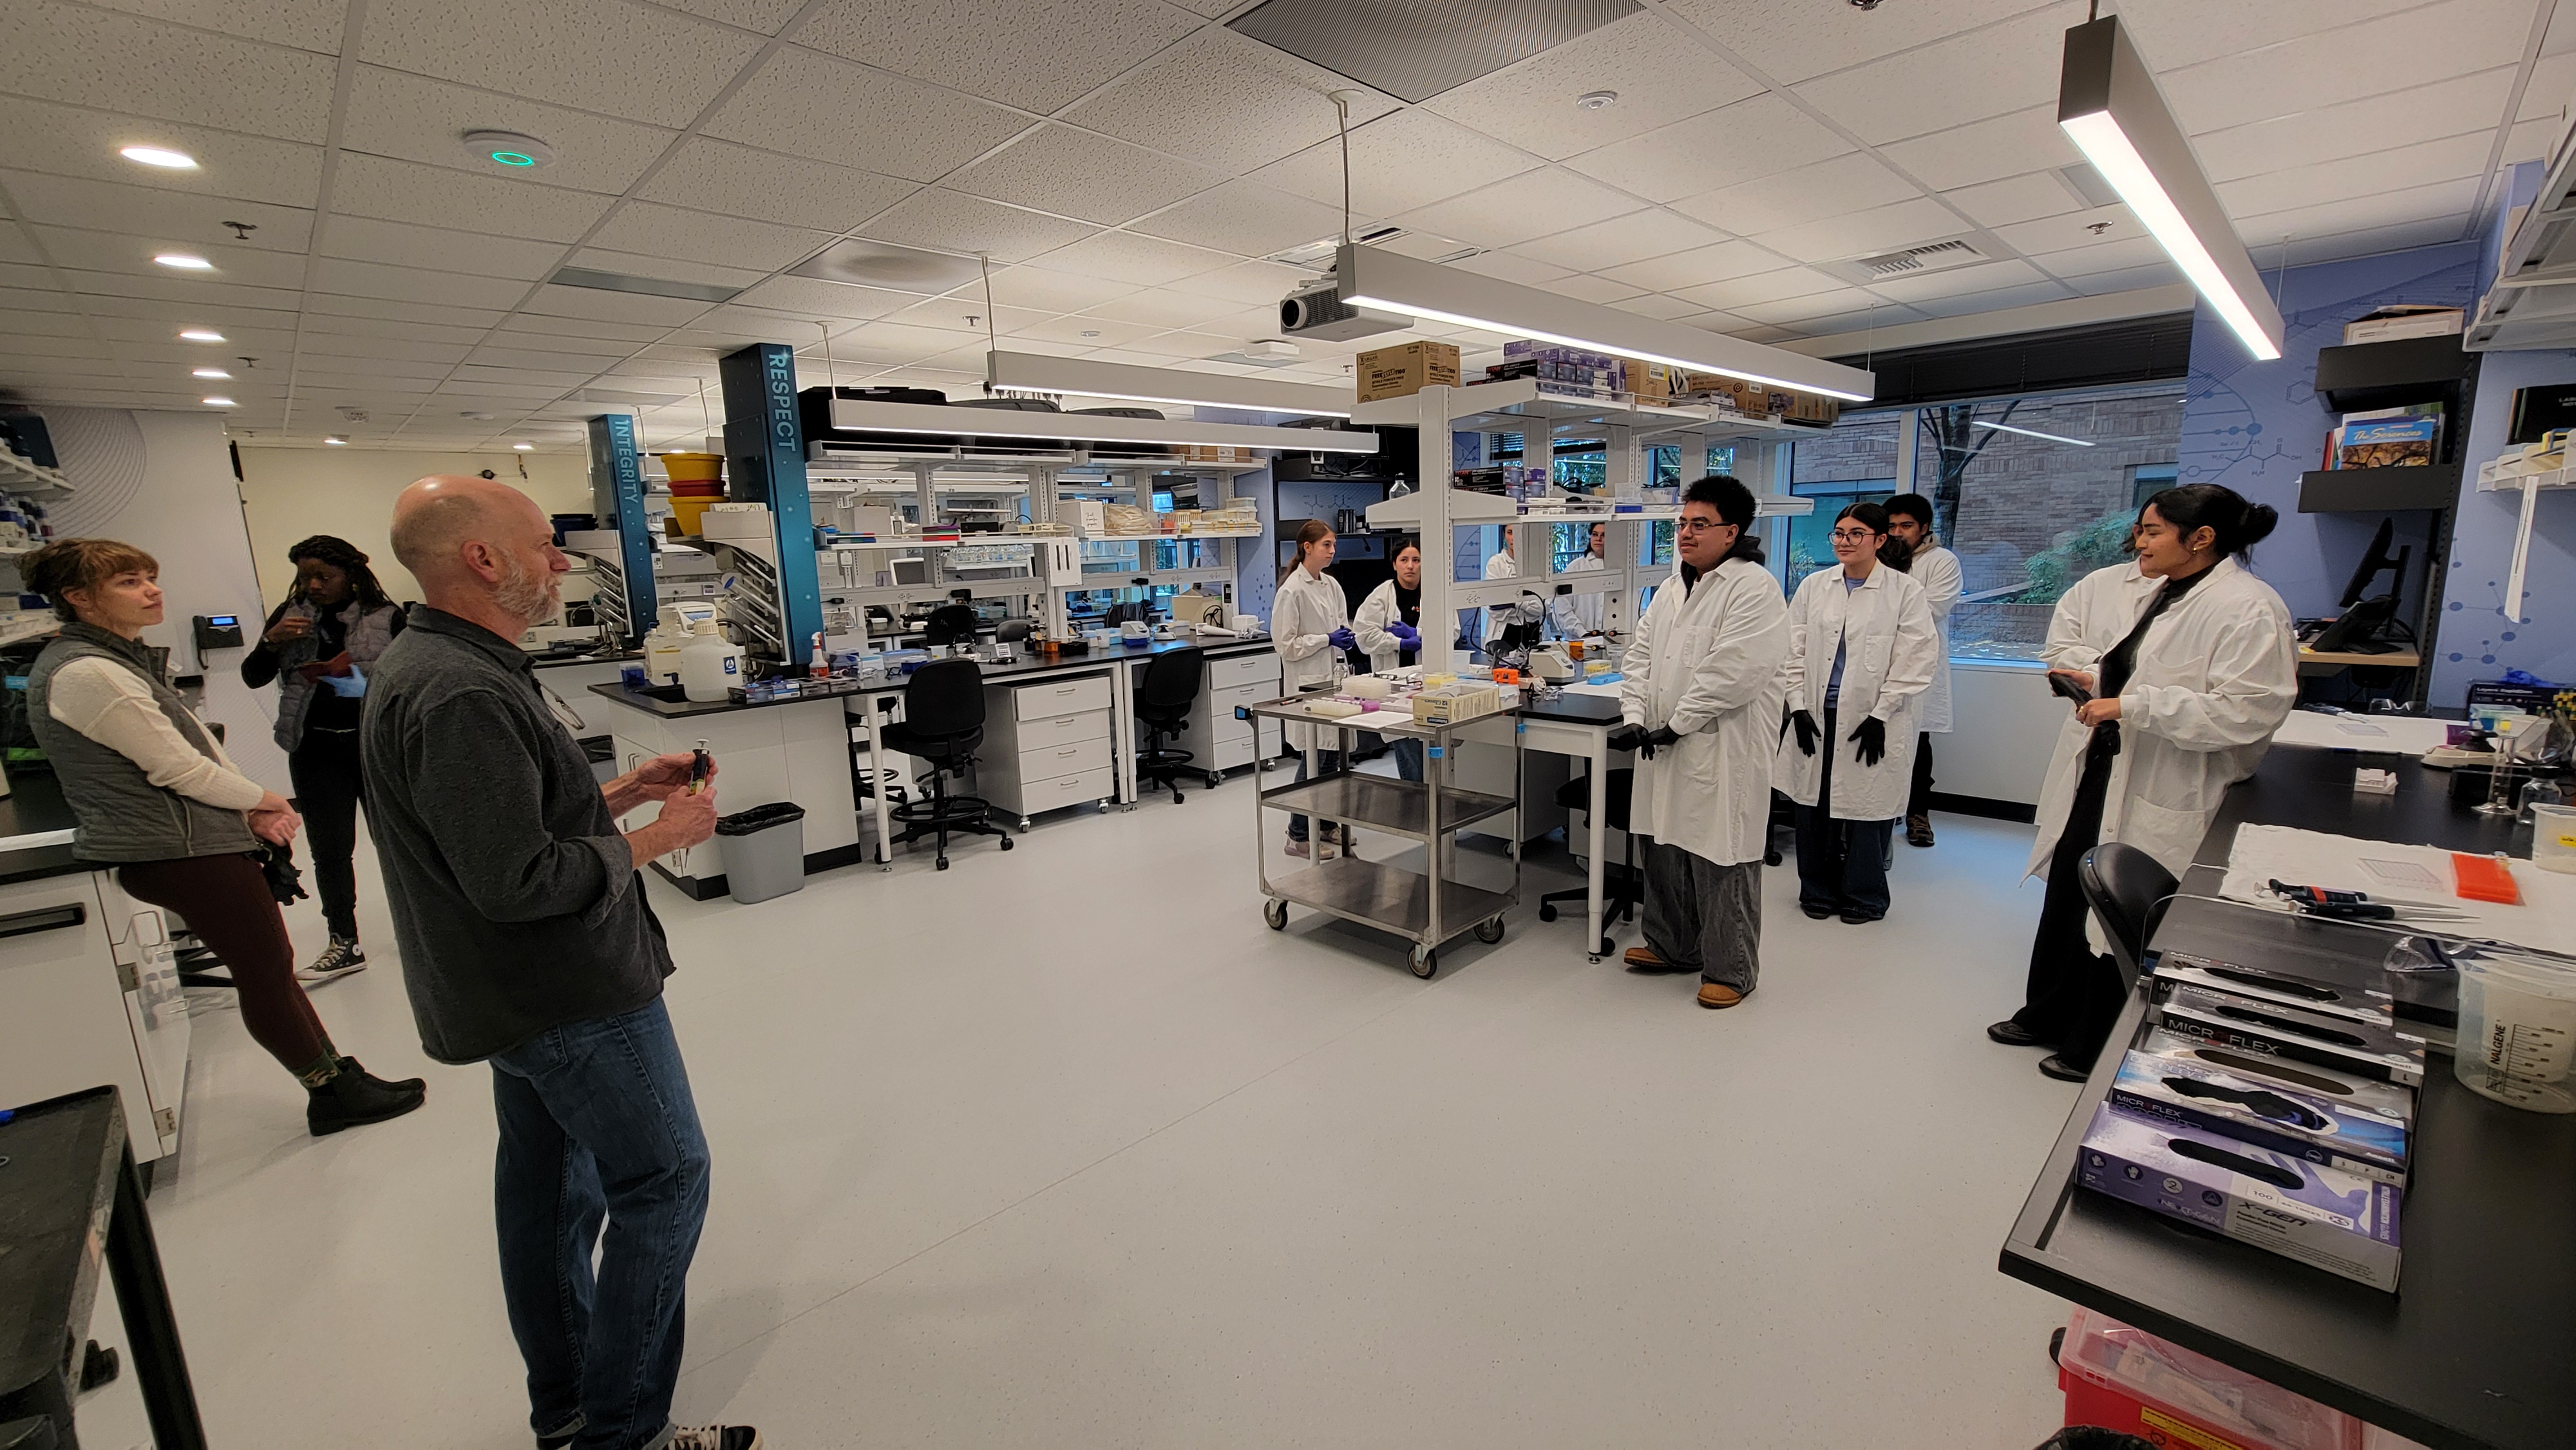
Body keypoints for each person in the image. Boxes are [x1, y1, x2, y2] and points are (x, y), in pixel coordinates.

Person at [364, 476, 755, 1450]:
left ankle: (572, 1407)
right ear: (483, 561)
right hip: (567, 992)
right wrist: (664, 836)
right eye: (543, 545)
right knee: (664, 1181)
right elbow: (521, 881)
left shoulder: (444, 663)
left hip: (506, 993)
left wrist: (620, 789)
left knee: (548, 1196)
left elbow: (498, 829)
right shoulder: (459, 690)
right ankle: (622, 1433)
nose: (561, 562)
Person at [21, 538, 425, 1136]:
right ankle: (329, 1090)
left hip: (200, 831)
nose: (151, 590)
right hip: (178, 846)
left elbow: (190, 746)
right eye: (129, 582)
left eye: (148, 576)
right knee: (264, 967)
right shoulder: (88, 672)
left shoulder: (113, 659)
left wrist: (245, 811)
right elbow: (176, 768)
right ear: (78, 598)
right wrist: (261, 801)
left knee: (272, 963)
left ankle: (339, 1075)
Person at [1992, 484, 2296, 1083]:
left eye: (2154, 531)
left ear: (2201, 539)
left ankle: (2092, 1046)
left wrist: (2132, 705)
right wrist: (2098, 679)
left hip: (2163, 779)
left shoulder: (2249, 608)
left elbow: (2248, 711)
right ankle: (2047, 1014)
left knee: (2120, 915)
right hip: (2105, 767)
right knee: (2070, 894)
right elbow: (2134, 665)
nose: (2140, 542)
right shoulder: (2166, 595)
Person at [1611, 476, 1790, 1009]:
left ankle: (1732, 970)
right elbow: (1640, 657)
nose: (1686, 534)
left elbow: (1733, 672)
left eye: (1700, 525)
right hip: (1665, 743)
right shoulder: (1672, 588)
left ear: (1732, 533)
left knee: (1722, 856)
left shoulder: (1753, 588)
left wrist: (1678, 723)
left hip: (1719, 745)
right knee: (1662, 844)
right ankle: (1672, 946)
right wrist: (1635, 714)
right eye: (1682, 524)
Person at [241, 534, 405, 983]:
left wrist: (353, 682)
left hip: (376, 747)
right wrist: (271, 643)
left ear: (351, 575)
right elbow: (253, 677)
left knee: (398, 846)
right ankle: (344, 941)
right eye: (304, 577)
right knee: (330, 850)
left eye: (323, 576)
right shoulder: (289, 618)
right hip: (314, 750)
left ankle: (416, 932)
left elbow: (408, 685)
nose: (312, 585)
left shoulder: (387, 618)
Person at [1774, 502, 1938, 925]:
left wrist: (1882, 714)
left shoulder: (1905, 592)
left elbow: (1916, 658)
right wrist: (1799, 708)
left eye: (1855, 534)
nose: (1844, 542)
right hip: (1818, 714)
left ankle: (1865, 896)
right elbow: (1793, 651)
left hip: (1874, 718)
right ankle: (1817, 889)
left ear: (1880, 540)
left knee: (1868, 809)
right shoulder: (1814, 586)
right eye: (1839, 533)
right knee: (1814, 807)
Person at [1882, 495, 1960, 848]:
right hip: (1879, 663)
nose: (1898, 533)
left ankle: (1918, 815)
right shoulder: (1877, 560)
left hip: (1919, 661)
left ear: (1924, 528)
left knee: (1918, 741)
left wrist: (1885, 612)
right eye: (1892, 526)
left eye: (1906, 526)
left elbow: (1932, 608)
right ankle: (1882, 811)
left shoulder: (1940, 561)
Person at [1274, 519, 1352, 859]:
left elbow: (1342, 624)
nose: (1332, 551)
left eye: (1333, 545)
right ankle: (1297, 835)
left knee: (1333, 756)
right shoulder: (1291, 590)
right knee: (1314, 759)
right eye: (1326, 545)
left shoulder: (1332, 585)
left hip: (1334, 681)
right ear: (1307, 547)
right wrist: (1326, 639)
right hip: (1308, 685)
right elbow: (1286, 645)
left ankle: (1323, 826)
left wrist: (1345, 638)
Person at [1352, 535, 1426, 781]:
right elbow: (1364, 636)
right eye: (1404, 560)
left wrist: (1417, 633)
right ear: (1394, 564)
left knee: (1427, 748)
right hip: (1394, 685)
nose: (1410, 566)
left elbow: (1453, 629)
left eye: (1416, 560)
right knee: (1409, 747)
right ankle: (1416, 803)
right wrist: (1400, 643)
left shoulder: (1434, 591)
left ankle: (1421, 803)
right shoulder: (1382, 595)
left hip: (1428, 683)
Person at [1557, 520, 1610, 636]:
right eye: (1595, 535)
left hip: (1611, 640)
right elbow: (1562, 609)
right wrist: (1582, 633)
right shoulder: (1575, 568)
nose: (1598, 539)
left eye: (1604, 535)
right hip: (1579, 640)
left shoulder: (1620, 569)